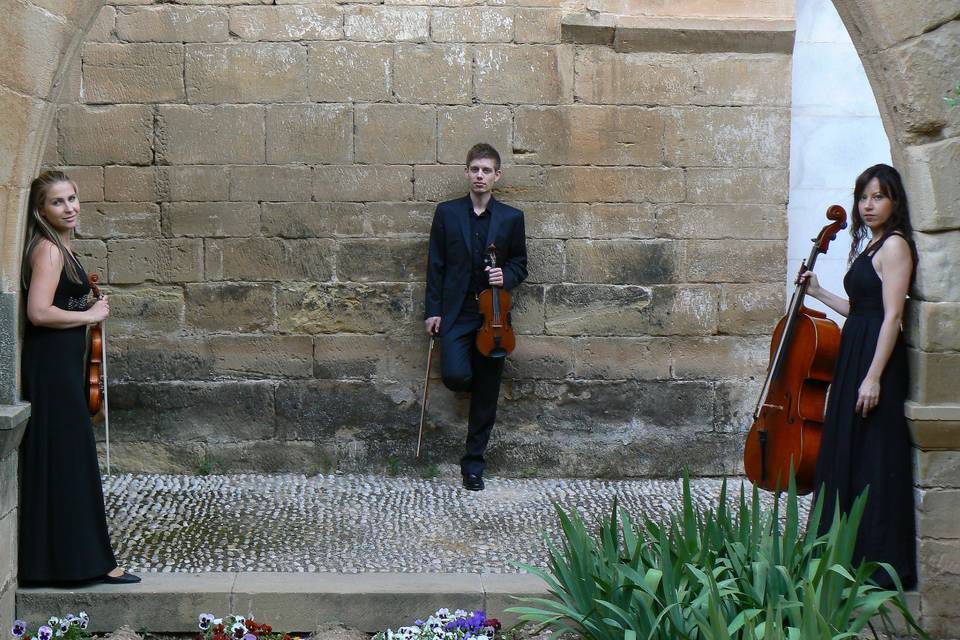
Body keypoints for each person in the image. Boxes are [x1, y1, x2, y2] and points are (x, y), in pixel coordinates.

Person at [18, 170, 140, 585]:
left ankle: (62, 562)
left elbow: (58, 301)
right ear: (40, 210)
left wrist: (87, 304)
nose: (69, 207)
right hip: (52, 367)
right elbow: (38, 312)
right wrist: (88, 314)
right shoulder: (49, 252)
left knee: (66, 458)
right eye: (58, 202)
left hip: (62, 365)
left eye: (72, 198)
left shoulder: (61, 248)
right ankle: (84, 564)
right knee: (69, 458)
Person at [801, 163, 917, 589]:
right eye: (864, 197)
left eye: (878, 196)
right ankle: (844, 556)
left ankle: (878, 562)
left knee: (873, 456)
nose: (869, 205)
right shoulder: (872, 246)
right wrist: (819, 292)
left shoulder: (895, 247)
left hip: (875, 359)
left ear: (894, 201)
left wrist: (873, 378)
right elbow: (860, 309)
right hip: (856, 350)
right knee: (850, 449)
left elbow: (892, 317)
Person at [424, 144, 528, 491]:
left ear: (497, 176)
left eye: (487, 170)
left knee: (486, 396)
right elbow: (435, 266)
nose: (480, 175)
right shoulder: (447, 213)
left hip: (494, 315)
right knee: (455, 375)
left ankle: (473, 465)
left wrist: (506, 276)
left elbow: (520, 264)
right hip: (457, 312)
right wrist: (433, 311)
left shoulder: (512, 218)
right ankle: (474, 372)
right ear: (466, 173)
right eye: (475, 169)